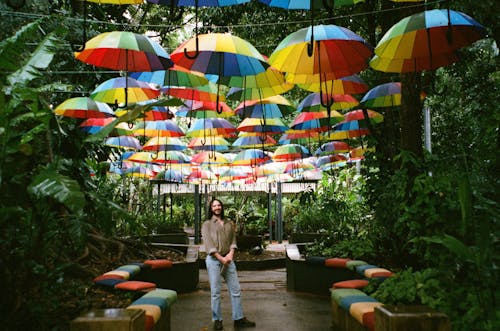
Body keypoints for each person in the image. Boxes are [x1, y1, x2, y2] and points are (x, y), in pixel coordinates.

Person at [202, 198, 256, 330]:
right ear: (211, 208)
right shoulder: (207, 224)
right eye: (214, 205)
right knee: (215, 292)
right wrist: (221, 258)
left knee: (236, 289)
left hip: (228, 259)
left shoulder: (228, 223)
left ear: (222, 207)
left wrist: (230, 254)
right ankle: (217, 320)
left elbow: (233, 240)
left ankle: (238, 319)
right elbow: (209, 245)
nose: (217, 207)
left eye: (219, 205)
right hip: (214, 260)